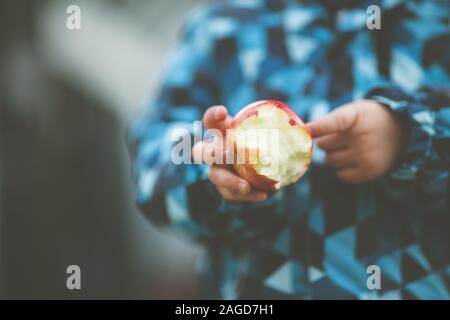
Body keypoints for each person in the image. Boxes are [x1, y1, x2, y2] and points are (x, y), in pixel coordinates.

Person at [128, 0, 450, 299]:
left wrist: (409, 134)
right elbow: (151, 159)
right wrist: (208, 168)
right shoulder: (224, 27)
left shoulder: (436, 23)